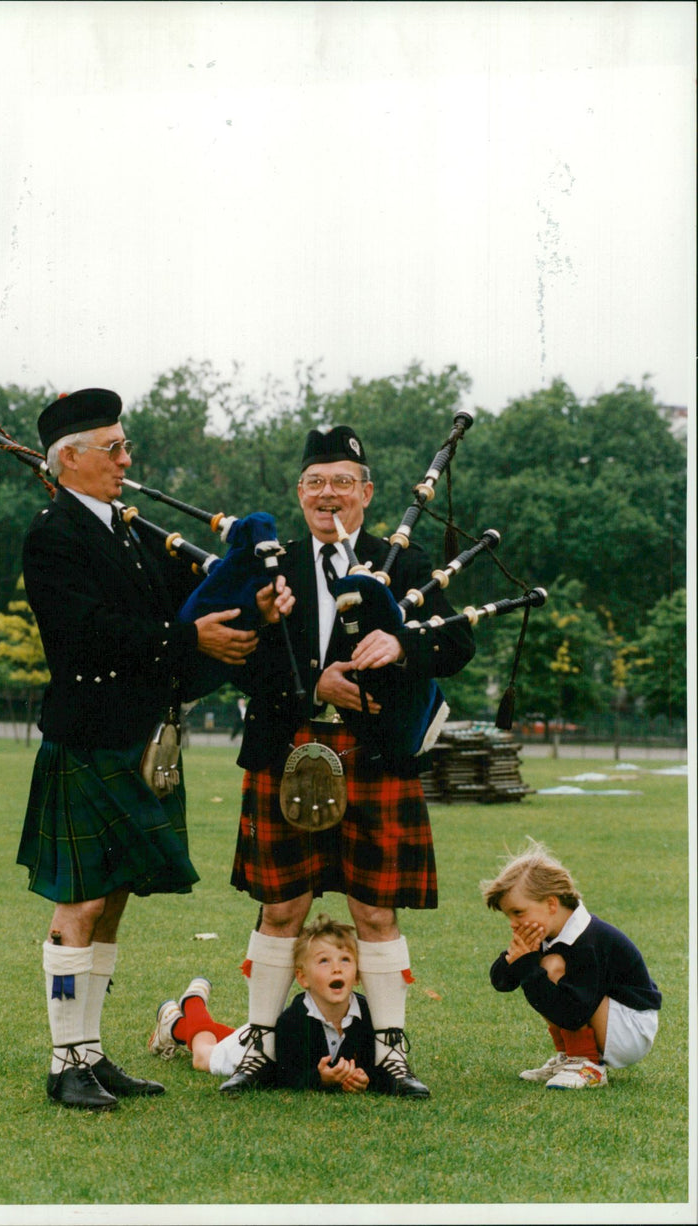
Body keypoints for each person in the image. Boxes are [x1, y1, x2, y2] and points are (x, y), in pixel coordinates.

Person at [17, 387, 291, 1110]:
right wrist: (187, 638)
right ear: (68, 459)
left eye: (125, 444)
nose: (126, 459)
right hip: (91, 739)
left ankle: (92, 1052)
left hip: (138, 739)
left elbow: (191, 604)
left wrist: (250, 607)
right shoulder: (53, 535)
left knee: (111, 902)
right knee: (79, 904)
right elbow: (87, 632)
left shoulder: (127, 532)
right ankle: (64, 1059)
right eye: (113, 448)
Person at [218, 424, 477, 1097]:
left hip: (374, 753)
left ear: (365, 492)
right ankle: (259, 1049)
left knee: (376, 910)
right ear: (299, 493)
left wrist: (402, 648)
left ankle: (390, 1052)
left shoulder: (407, 564)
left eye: (341, 482)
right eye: (314, 483)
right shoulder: (269, 565)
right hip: (288, 747)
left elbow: (455, 643)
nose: (327, 493)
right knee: (282, 907)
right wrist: (310, 685)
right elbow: (233, 653)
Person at [481, 839, 662, 1089]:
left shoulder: (589, 940)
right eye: (508, 915)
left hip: (631, 1029)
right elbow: (501, 982)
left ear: (551, 904)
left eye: (518, 912)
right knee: (541, 966)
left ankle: (587, 1063)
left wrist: (529, 967)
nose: (512, 923)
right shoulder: (547, 932)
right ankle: (569, 1057)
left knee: (550, 966)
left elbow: (574, 1013)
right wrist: (518, 960)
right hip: (602, 1017)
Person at [149, 914, 378, 1092]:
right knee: (202, 1056)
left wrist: (362, 1076)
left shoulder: (367, 1012)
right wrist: (319, 1079)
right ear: (302, 977)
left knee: (231, 1034)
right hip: (255, 1049)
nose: (337, 968)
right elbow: (284, 1072)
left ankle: (173, 1024)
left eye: (345, 959)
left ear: (357, 974)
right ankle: (193, 1004)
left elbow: (369, 1057)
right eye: (324, 961)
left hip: (270, 1039)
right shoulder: (294, 1019)